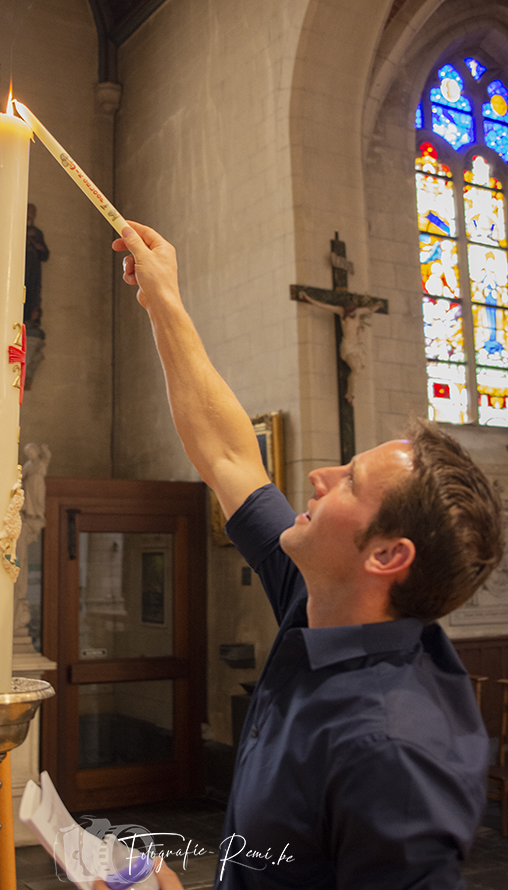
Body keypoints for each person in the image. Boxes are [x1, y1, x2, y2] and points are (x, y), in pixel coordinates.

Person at [111, 220, 504, 890]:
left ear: (384, 555)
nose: (319, 475)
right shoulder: (319, 602)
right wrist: (163, 300)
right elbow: (228, 451)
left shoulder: (394, 752)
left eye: (349, 481)